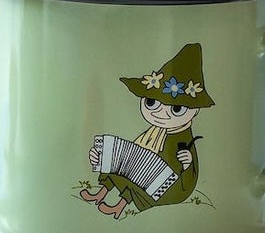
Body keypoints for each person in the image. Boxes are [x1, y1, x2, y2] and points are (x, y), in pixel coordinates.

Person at [80, 42, 213, 218]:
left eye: (176, 109)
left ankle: (119, 206)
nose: (160, 114)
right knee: (121, 167)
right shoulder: (152, 133)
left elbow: (190, 175)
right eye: (151, 103)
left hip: (173, 186)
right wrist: (100, 157)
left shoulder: (182, 139)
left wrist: (188, 163)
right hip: (148, 178)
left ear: (194, 110)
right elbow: (132, 159)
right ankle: (101, 193)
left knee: (136, 180)